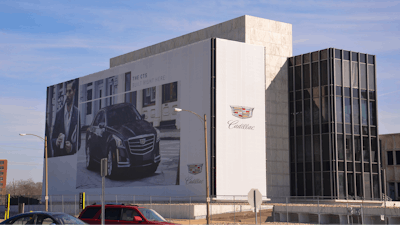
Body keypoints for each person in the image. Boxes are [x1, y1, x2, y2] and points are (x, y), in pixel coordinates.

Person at [51, 80, 81, 157]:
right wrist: (56, 141)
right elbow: (52, 139)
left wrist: (72, 148)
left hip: (70, 158)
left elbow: (79, 142)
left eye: (69, 91)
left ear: (74, 92)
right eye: (66, 92)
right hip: (58, 157)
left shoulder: (77, 113)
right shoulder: (58, 114)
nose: (67, 95)